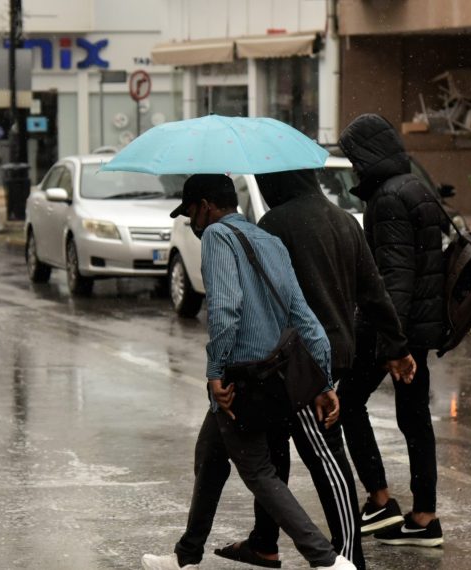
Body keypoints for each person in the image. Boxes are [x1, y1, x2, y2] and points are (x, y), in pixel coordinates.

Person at [141, 174, 356, 570]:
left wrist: (215, 373)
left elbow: (225, 309)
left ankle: (326, 561)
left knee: (259, 472)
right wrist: (323, 381)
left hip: (241, 379)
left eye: (190, 212)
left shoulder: (217, 239)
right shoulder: (268, 240)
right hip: (273, 377)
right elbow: (302, 314)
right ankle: (186, 556)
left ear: (205, 206)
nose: (191, 222)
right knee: (210, 457)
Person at [213, 169, 417, 569]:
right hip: (335, 349)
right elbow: (373, 291)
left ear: (277, 184)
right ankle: (264, 542)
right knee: (278, 449)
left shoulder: (275, 224)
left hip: (298, 360)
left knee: (323, 455)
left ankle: (348, 558)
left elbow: (261, 298)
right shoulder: (344, 220)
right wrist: (396, 345)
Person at [337, 114, 448, 547]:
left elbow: (396, 279)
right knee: (415, 418)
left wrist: (393, 346)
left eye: (353, 158)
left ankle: (381, 502)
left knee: (348, 402)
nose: (353, 167)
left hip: (395, 329)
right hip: (419, 327)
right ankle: (423, 517)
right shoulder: (416, 187)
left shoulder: (387, 199)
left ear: (366, 155)